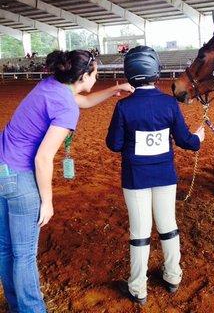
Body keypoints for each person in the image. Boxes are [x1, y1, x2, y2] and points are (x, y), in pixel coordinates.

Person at [0, 49, 133, 313]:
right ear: (84, 76)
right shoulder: (65, 107)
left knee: (6, 248)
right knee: (25, 254)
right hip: (21, 178)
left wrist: (114, 90)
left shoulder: (51, 85)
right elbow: (43, 158)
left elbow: (78, 100)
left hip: (2, 167)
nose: (97, 78)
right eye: (96, 73)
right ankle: (31, 310)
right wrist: (47, 201)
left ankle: (16, 304)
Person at [106, 45, 205, 305]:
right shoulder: (169, 104)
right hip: (165, 176)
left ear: (130, 74)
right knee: (168, 226)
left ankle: (138, 288)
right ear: (155, 72)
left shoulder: (124, 107)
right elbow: (186, 141)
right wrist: (199, 138)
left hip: (135, 178)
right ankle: (173, 276)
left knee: (139, 231)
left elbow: (114, 144)